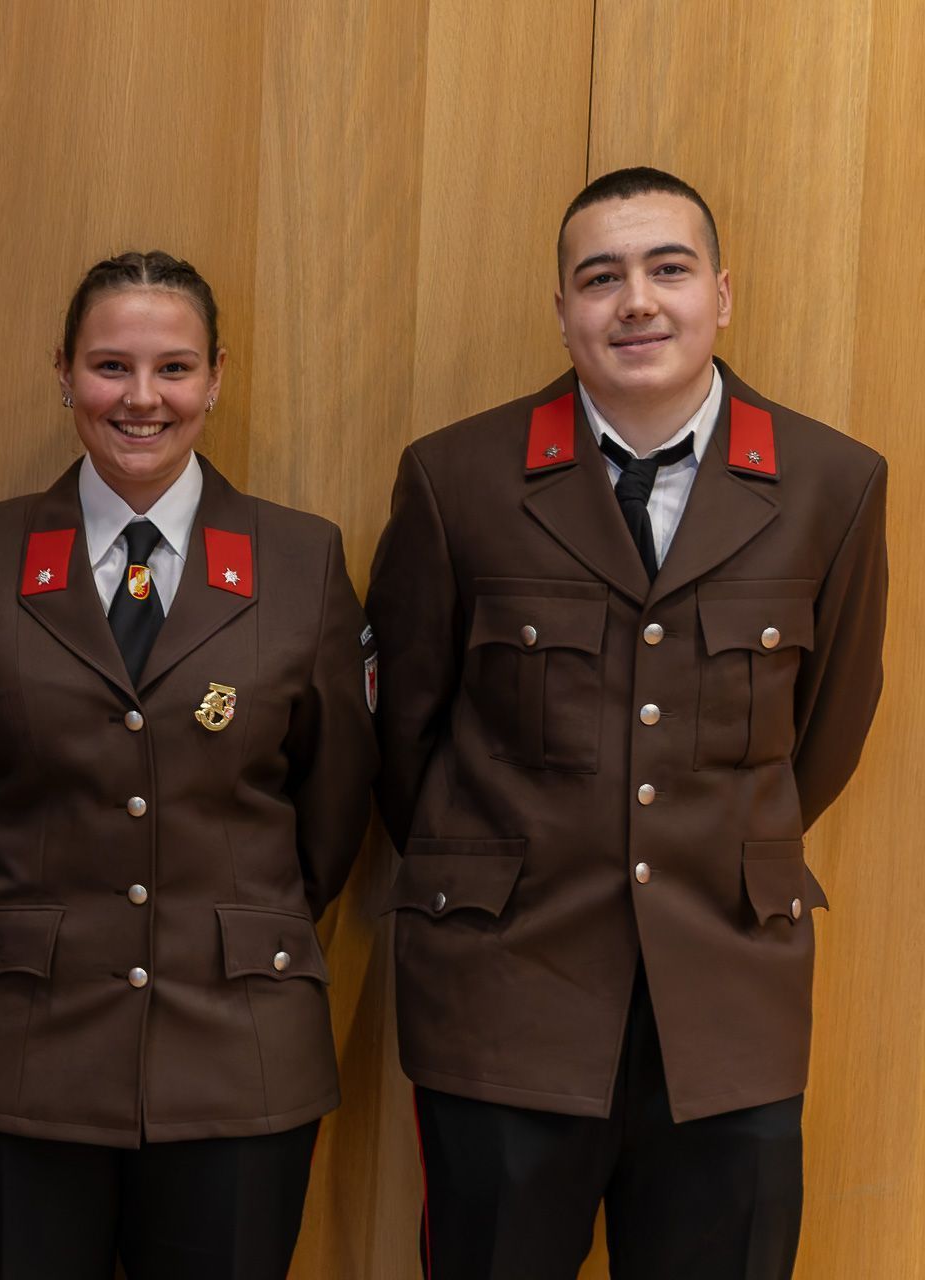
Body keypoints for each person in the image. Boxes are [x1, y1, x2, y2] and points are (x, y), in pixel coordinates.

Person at [367, 167, 888, 1279]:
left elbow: (826, 730)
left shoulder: (831, 484)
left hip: (725, 1007)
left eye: (669, 268)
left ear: (723, 293)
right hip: (508, 996)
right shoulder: (456, 478)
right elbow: (402, 741)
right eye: (600, 277)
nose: (636, 301)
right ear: (562, 310)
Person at [0, 250, 378, 1279]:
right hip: (24, 1037)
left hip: (237, 1045)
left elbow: (331, 808)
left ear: (216, 377)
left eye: (175, 367)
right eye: (112, 366)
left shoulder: (303, 560)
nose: (143, 397)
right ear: (63, 372)